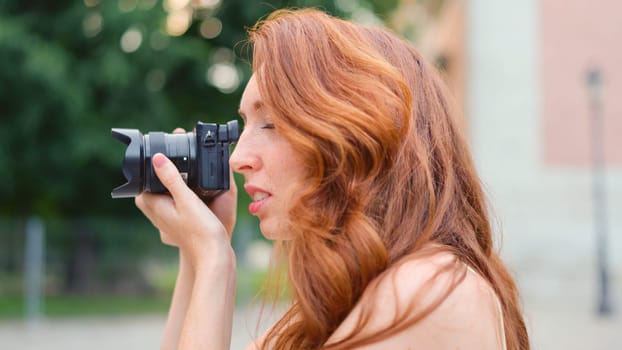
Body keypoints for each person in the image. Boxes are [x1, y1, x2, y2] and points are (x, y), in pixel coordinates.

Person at [135, 8, 530, 350]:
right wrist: (198, 251)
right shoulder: (361, 298)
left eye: (271, 122)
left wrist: (213, 259)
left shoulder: (427, 289)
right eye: (246, 124)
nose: (238, 159)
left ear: (358, 135)